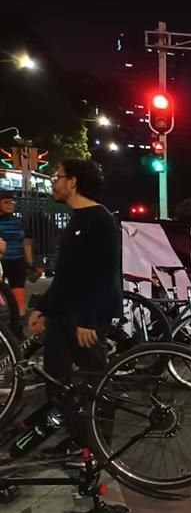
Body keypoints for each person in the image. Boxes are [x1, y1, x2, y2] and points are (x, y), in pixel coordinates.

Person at [32, 159, 122, 399]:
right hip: (63, 315)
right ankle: (73, 432)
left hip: (85, 318)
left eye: (57, 177)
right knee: (56, 381)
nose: (53, 182)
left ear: (72, 182)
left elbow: (103, 274)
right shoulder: (77, 218)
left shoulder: (100, 219)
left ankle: (97, 436)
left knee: (95, 383)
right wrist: (43, 308)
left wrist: (88, 319)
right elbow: (67, 274)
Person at [0, 190, 38, 334]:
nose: (11, 205)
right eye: (6, 202)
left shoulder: (18, 222)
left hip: (17, 262)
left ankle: (18, 327)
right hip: (1, 264)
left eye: (12, 202)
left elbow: (25, 242)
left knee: (19, 296)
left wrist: (29, 263)